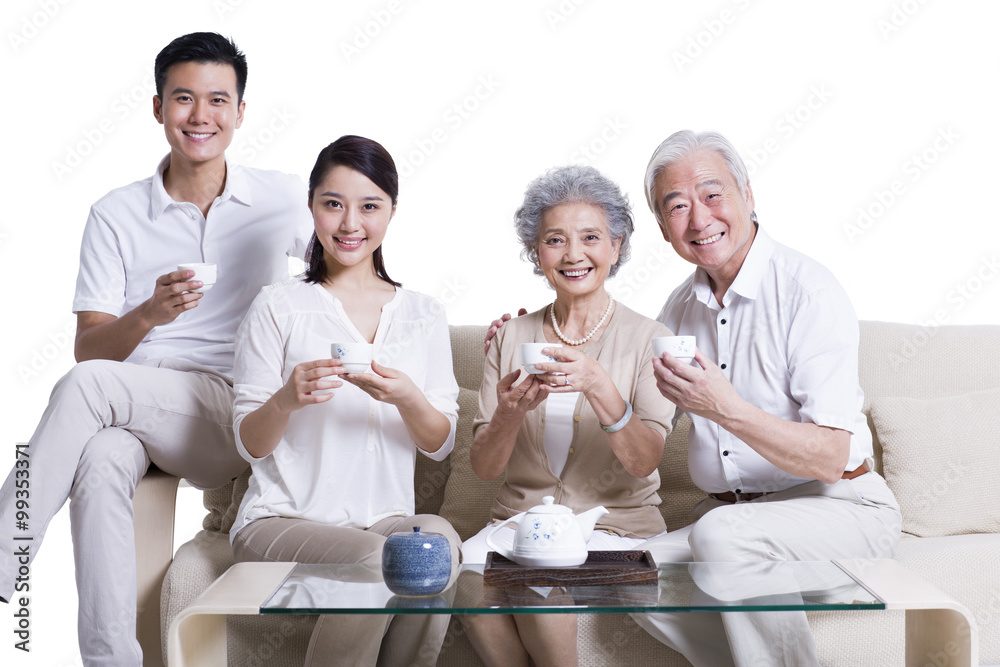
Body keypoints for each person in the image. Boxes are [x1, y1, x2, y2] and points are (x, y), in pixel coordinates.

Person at [0, 32, 312, 665]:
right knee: (104, 460)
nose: (201, 117)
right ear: (157, 107)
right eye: (183, 99)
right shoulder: (115, 214)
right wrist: (149, 312)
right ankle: (114, 659)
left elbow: (355, 266)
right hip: (135, 408)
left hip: (227, 411)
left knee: (86, 390)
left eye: (218, 100)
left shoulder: (283, 199)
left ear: (241, 112)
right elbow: (92, 347)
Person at [627, 130, 903, 666]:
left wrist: (724, 407)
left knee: (723, 536)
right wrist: (571, 350)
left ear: (748, 195)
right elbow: (645, 437)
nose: (699, 219)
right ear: (663, 229)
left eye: (712, 195)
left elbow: (828, 457)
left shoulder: (808, 290)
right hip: (737, 525)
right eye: (677, 206)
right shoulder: (678, 309)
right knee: (626, 574)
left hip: (842, 511)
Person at [229, 135, 461, 667]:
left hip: (383, 518)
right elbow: (249, 445)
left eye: (369, 206)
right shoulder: (279, 306)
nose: (350, 223)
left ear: (392, 212)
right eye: (333, 204)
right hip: (279, 521)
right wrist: (286, 400)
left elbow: (439, 444)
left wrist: (406, 397)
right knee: (378, 559)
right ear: (312, 207)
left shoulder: (423, 313)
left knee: (435, 547)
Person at [461, 165, 677, 667]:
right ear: (537, 253)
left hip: (615, 527)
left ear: (616, 246)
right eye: (555, 240)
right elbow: (485, 468)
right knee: (467, 582)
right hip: (521, 522)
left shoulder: (649, 339)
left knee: (538, 577)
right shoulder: (512, 338)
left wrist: (601, 386)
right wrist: (509, 416)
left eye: (591, 238)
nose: (574, 254)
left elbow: (645, 461)